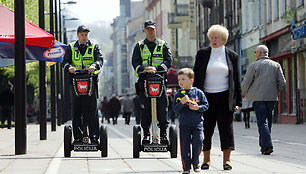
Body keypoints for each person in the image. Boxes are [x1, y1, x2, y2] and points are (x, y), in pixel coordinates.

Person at [193, 24, 242, 170]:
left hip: (225, 97)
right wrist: (194, 96)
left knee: (226, 129)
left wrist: (238, 101)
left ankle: (227, 161)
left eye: (217, 38)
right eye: (212, 37)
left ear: (224, 39)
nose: (214, 40)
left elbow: (236, 80)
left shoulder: (232, 55)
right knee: (206, 129)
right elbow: (196, 77)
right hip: (206, 97)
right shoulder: (202, 54)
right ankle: (206, 160)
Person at [131, 20, 172, 144]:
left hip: (160, 81)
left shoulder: (163, 45)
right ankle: (146, 134)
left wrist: (156, 69)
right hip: (144, 81)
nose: (150, 31)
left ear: (156, 30)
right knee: (145, 109)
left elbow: (168, 61)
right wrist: (144, 69)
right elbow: (135, 61)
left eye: (152, 29)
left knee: (162, 108)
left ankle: (164, 134)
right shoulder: (139, 46)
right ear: (145, 30)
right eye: (148, 29)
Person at [241, 45, 286, 155]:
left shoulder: (254, 65)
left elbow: (246, 82)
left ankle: (267, 145)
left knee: (262, 122)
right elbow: (282, 83)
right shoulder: (276, 65)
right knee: (268, 121)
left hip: (258, 98)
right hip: (271, 98)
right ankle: (264, 146)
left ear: (260, 53)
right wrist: (275, 91)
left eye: (256, 52)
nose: (255, 54)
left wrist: (243, 93)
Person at [62, 25, 103, 144]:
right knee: (76, 110)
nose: (84, 37)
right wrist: (69, 67)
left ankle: (94, 136)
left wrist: (94, 65)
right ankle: (78, 137)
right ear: (78, 35)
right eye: (82, 35)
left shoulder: (94, 47)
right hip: (76, 82)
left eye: (86, 35)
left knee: (92, 110)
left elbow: (100, 59)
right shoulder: (70, 47)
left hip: (91, 81)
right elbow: (65, 61)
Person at [173, 68, 209, 174]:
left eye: (183, 79)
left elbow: (206, 105)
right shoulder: (178, 94)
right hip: (184, 124)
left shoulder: (198, 93)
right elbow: (175, 109)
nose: (180, 82)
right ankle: (186, 166)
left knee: (198, 142)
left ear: (191, 80)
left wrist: (198, 108)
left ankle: (196, 162)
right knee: (184, 146)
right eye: (179, 79)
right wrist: (181, 103)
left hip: (197, 123)